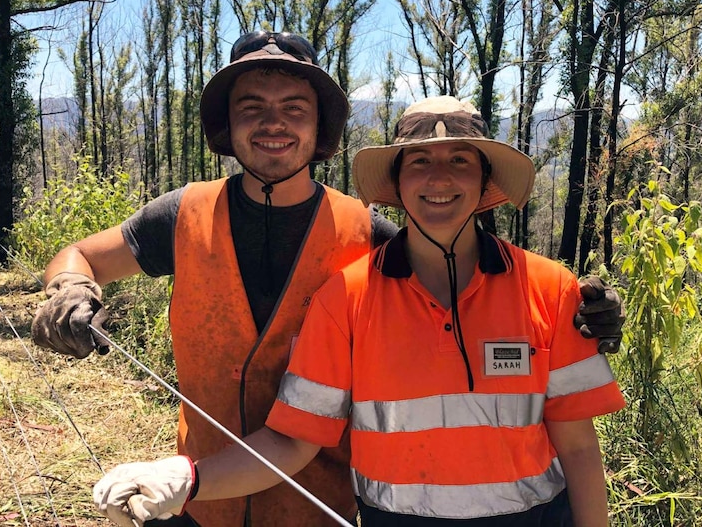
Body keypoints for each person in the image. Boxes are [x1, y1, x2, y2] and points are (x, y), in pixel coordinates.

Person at [32, 33, 624, 527]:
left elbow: (461, 287)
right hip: (193, 498)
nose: (273, 124)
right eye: (252, 107)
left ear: (321, 127)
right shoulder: (181, 214)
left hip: (319, 507)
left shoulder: (370, 235)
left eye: (295, 108)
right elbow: (79, 254)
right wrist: (68, 289)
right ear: (226, 124)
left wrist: (583, 312)